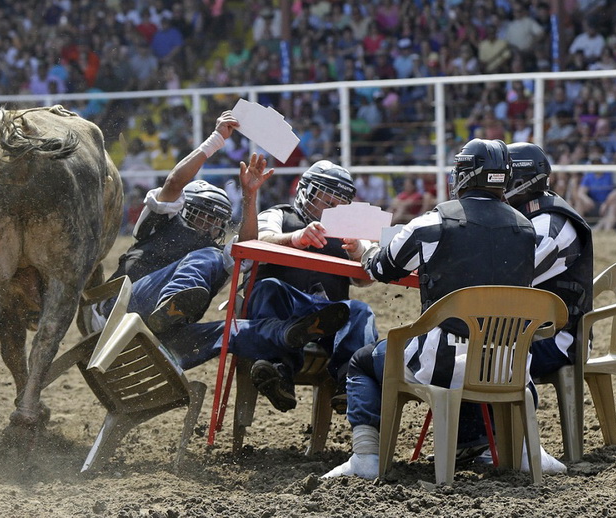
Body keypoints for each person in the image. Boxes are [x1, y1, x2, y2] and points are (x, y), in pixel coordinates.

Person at [323, 139, 538, 479]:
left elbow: (381, 268)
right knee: (474, 344)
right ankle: (511, 448)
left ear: (464, 176)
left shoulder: (435, 221)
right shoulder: (528, 229)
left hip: (443, 365)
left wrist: (365, 249)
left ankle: (365, 457)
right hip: (508, 367)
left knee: (362, 361)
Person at [94, 112, 349, 386]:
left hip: (165, 337)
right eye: (201, 214)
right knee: (210, 257)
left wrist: (249, 196)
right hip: (120, 309)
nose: (207, 225)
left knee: (233, 330)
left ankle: (288, 333)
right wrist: (215, 140)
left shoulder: (212, 255)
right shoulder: (158, 222)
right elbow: (173, 184)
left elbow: (247, 249)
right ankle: (172, 303)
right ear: (184, 208)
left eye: (215, 221)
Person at [247, 160, 379, 414]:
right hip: (286, 313)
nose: (332, 210)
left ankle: (350, 380)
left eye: (340, 205)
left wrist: (358, 251)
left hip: (328, 315)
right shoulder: (280, 215)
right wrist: (295, 239)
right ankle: (278, 370)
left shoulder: (348, 234)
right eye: (327, 202)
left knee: (361, 312)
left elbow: (365, 279)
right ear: (305, 193)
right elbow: (260, 240)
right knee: (268, 288)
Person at [505, 143, 593, 390]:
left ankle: (498, 426)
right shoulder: (536, 213)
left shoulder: (548, 229)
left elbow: (504, 278)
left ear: (519, 182)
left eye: (503, 178)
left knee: (471, 360)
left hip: (558, 341)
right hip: (536, 330)